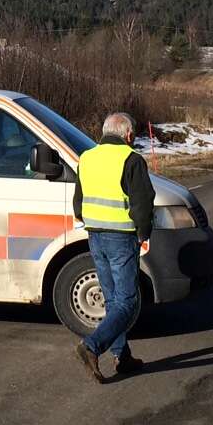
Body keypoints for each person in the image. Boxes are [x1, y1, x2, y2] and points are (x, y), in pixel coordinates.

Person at [71, 111, 155, 383]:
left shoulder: (87, 157)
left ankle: (122, 356)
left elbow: (78, 203)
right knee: (128, 302)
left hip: (95, 235)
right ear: (128, 134)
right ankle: (91, 346)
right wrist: (144, 232)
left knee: (112, 299)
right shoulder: (131, 159)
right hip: (121, 237)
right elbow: (143, 201)